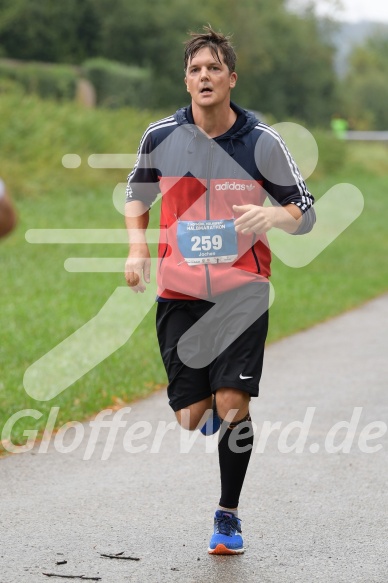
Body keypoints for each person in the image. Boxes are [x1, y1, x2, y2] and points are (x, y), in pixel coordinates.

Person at [124, 26, 315, 555]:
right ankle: (207, 400)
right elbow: (136, 199)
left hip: (242, 292)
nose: (203, 77)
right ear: (185, 81)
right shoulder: (161, 136)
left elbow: (307, 212)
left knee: (234, 404)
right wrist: (136, 249)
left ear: (231, 78)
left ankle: (227, 516)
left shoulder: (262, 141)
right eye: (195, 69)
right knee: (192, 417)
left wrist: (273, 214)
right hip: (180, 293)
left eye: (213, 69)